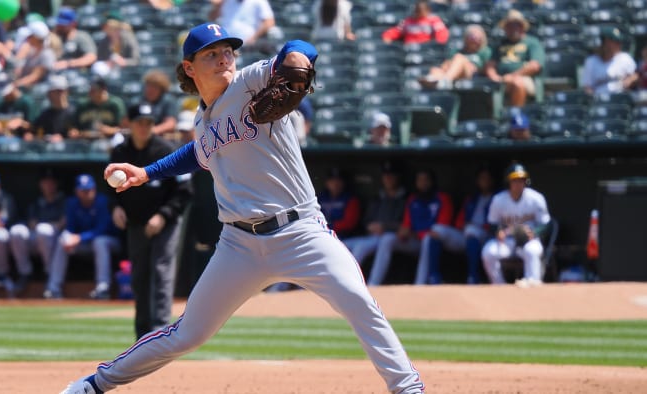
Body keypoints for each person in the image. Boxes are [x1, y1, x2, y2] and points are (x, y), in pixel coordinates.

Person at [59, 22, 424, 394]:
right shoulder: (201, 121)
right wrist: (147, 172)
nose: (224, 59)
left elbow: (299, 48)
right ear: (190, 67)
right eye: (212, 54)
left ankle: (408, 388)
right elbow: (198, 153)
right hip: (238, 246)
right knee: (186, 333)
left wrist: (297, 57)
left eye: (228, 51)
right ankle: (94, 385)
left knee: (358, 301)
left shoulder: (252, 81)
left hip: (300, 231)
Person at [110, 103, 192, 339]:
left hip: (165, 221)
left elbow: (185, 190)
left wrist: (163, 215)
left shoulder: (166, 149)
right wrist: (115, 207)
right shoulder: (120, 153)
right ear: (130, 124)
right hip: (136, 222)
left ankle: (160, 332)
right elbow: (109, 189)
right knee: (139, 276)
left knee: (161, 270)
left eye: (148, 123)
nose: (144, 127)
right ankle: (142, 334)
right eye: (140, 123)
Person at [366, 168, 454, 286]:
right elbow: (406, 225)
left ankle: (420, 283)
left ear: (432, 181)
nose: (423, 183)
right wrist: (403, 231)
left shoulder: (442, 198)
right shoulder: (413, 199)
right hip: (415, 241)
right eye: (420, 180)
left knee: (429, 239)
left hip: (435, 242)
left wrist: (416, 234)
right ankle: (373, 283)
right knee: (388, 238)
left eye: (426, 180)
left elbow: (442, 227)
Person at [44, 174, 121, 300]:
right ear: (77, 191)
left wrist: (79, 238)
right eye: (83, 190)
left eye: (89, 189)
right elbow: (71, 228)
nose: (87, 193)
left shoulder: (102, 202)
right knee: (63, 239)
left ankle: (103, 287)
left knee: (99, 241)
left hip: (109, 242)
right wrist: (70, 238)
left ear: (94, 189)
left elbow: (101, 230)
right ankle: (53, 288)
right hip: (84, 243)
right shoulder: (72, 203)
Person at [419, 166, 496, 285]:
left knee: (472, 231)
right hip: (466, 234)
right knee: (436, 230)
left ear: (492, 180)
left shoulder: (497, 198)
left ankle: (473, 277)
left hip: (486, 236)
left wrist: (478, 227)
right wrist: (464, 225)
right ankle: (434, 277)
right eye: (481, 178)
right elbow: (458, 222)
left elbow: (495, 223)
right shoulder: (472, 199)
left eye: (487, 178)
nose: (484, 181)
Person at [482, 162, 551, 286]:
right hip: (507, 240)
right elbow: (492, 223)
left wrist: (535, 232)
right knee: (488, 252)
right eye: (515, 180)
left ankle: (533, 282)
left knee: (532, 250)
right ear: (508, 182)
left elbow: (546, 224)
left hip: (529, 238)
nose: (518, 183)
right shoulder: (498, 200)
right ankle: (499, 285)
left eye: (521, 180)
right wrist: (498, 232)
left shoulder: (536, 198)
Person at [342, 160, 407, 274]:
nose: (388, 178)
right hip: (372, 236)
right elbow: (366, 220)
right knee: (342, 246)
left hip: (393, 236)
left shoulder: (405, 198)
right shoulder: (378, 197)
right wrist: (369, 226)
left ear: (398, 177)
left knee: (361, 247)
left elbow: (406, 223)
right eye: (386, 175)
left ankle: (364, 282)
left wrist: (385, 227)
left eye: (391, 175)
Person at [9, 167, 66, 293]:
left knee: (43, 230)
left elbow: (62, 224)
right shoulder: (36, 202)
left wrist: (49, 224)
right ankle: (24, 273)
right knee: (16, 231)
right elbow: (31, 223)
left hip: (56, 240)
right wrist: (51, 223)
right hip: (38, 238)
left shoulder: (63, 201)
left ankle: (48, 272)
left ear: (57, 184)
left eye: (51, 182)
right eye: (46, 182)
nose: (48, 185)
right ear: (41, 184)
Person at [482, 10, 545, 107]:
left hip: (524, 78)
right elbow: (490, 65)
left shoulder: (532, 42)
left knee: (518, 83)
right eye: (510, 25)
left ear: (522, 27)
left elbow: (535, 66)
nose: (513, 28)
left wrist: (513, 76)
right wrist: (494, 77)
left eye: (516, 25)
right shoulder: (499, 44)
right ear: (505, 28)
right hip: (502, 80)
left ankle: (515, 115)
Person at [420, 24, 491, 89]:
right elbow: (445, 65)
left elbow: (484, 69)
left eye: (478, 37)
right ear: (466, 38)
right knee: (435, 70)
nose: (475, 40)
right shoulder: (457, 50)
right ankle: (435, 81)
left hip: (472, 75)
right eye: (472, 37)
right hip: (455, 74)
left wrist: (467, 64)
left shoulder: (485, 51)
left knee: (459, 58)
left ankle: (444, 81)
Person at [581, 27, 638, 96]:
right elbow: (587, 87)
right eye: (615, 42)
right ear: (605, 42)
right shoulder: (591, 61)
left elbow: (636, 75)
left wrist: (629, 80)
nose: (619, 44)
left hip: (621, 98)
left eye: (619, 42)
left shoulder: (625, 58)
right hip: (599, 100)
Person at [69, 75, 126, 140]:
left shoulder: (115, 104)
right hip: (85, 143)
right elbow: (74, 127)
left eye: (94, 89)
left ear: (103, 89)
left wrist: (110, 130)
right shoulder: (82, 105)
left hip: (110, 141)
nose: (90, 91)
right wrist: (75, 132)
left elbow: (124, 129)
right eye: (90, 88)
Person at [0, 74, 34, 143]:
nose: (6, 95)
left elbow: (35, 126)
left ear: (14, 86)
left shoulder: (26, 102)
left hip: (19, 138)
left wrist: (21, 123)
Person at [208, 0, 277, 49]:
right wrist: (217, 6)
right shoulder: (226, 1)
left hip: (247, 45)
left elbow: (269, 22)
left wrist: (253, 38)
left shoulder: (259, 1)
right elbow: (212, 18)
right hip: (225, 42)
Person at [317, 167, 362, 238]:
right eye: (332, 180)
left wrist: (329, 226)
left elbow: (349, 223)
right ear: (327, 183)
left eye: (338, 180)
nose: (335, 184)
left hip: (345, 237)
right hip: (321, 234)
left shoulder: (350, 199)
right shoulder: (321, 198)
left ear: (344, 182)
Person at [92, 11, 140, 77]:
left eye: (112, 27)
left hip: (127, 72)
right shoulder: (104, 41)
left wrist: (124, 62)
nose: (105, 29)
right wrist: (108, 63)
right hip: (109, 73)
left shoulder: (129, 38)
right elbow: (101, 60)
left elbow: (136, 60)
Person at [381, 0, 449, 45]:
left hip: (426, 50)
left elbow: (442, 35)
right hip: (409, 49)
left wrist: (434, 46)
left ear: (428, 10)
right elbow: (395, 31)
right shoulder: (408, 21)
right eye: (418, 10)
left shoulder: (434, 20)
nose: (419, 12)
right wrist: (387, 36)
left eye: (422, 10)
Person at [13, 20, 56, 90]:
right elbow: (16, 72)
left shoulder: (47, 54)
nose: (27, 38)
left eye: (30, 36)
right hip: (25, 88)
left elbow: (35, 77)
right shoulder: (28, 51)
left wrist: (14, 85)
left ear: (36, 37)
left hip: (40, 91)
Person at [30, 75, 75, 142]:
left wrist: (64, 138)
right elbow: (33, 130)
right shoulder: (45, 114)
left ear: (67, 92)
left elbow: (78, 134)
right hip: (49, 150)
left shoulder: (74, 112)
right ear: (49, 94)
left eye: (61, 91)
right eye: (56, 91)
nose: (60, 94)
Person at [134, 69, 178, 137]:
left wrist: (151, 131)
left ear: (162, 89)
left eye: (154, 87)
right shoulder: (138, 101)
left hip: (159, 137)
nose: (150, 89)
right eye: (148, 85)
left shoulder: (168, 101)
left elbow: (171, 124)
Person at [52, 7, 97, 71]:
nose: (61, 26)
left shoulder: (81, 36)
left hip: (77, 73)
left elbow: (91, 57)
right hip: (57, 73)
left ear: (73, 24)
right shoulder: (55, 37)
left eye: (64, 24)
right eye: (59, 24)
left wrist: (68, 63)